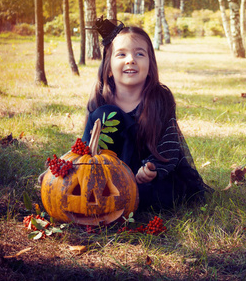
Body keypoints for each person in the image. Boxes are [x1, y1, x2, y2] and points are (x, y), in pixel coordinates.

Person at [80, 16, 211, 211]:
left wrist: (152, 168)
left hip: (147, 175)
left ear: (150, 66)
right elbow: (84, 148)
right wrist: (66, 170)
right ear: (108, 68)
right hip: (108, 176)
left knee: (161, 194)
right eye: (121, 54)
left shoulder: (160, 98)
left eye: (139, 54)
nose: (131, 60)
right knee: (107, 113)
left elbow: (170, 143)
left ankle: (136, 195)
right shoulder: (101, 99)